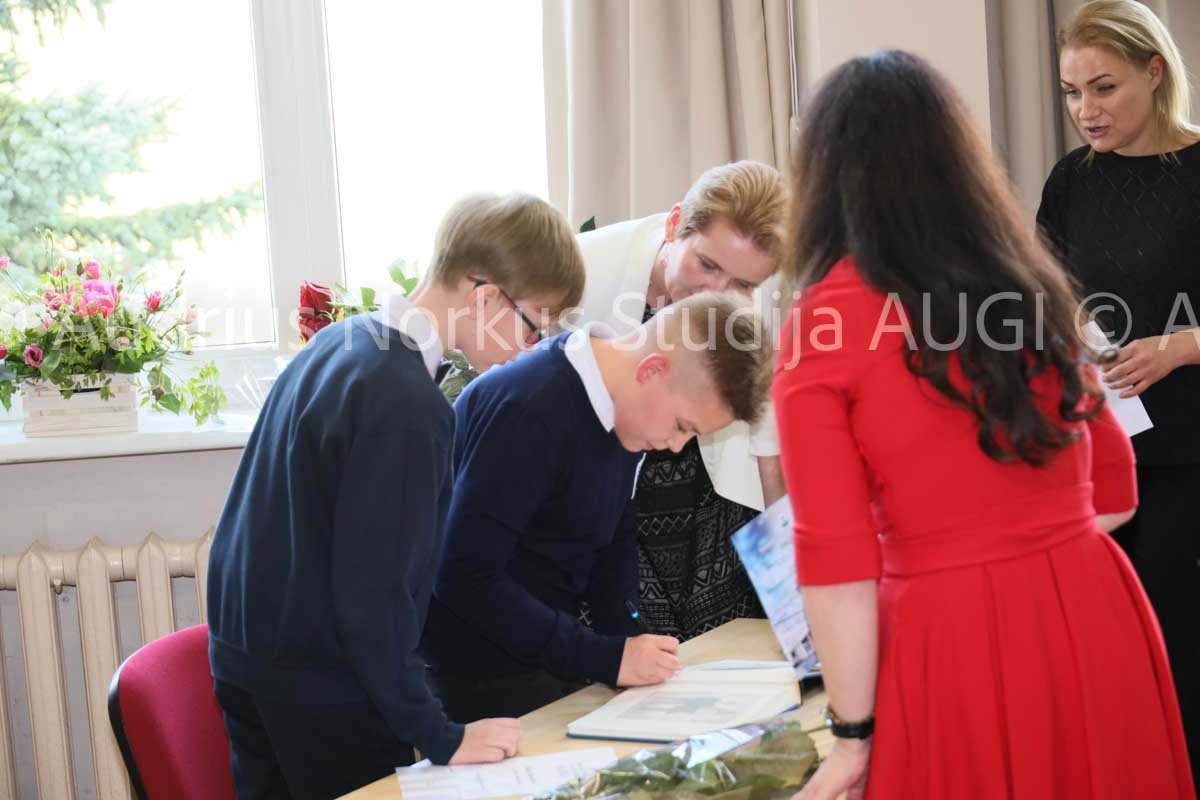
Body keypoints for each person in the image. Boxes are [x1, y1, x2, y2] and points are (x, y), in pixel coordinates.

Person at [775, 50, 1194, 799]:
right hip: (1094, 615)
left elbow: (837, 567)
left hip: (948, 635)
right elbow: (1114, 494)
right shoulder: (1030, 285)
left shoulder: (822, 325)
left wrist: (851, 736)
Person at [206, 193, 584, 799]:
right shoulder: (407, 405)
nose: (535, 346)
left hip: (249, 659)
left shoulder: (343, 340)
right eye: (535, 323)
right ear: (486, 297)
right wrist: (440, 735)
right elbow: (376, 597)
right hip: (326, 690)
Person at [423, 291, 771, 721]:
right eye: (682, 426)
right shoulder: (531, 408)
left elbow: (613, 545)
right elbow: (463, 576)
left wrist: (630, 643)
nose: (676, 445)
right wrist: (605, 657)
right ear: (651, 370)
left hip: (543, 657)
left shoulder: (624, 410)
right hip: (473, 673)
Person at [1037, 1, 1200, 784]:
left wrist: (1182, 346)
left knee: (1181, 654)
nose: (1086, 111)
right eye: (1072, 93)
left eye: (1103, 88)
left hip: (1189, 457)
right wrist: (1065, 328)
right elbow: (1041, 294)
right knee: (1102, 660)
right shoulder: (1072, 180)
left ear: (1154, 72)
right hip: (1097, 461)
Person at [571, 161, 788, 640]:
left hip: (713, 502)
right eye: (707, 265)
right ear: (674, 225)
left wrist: (794, 604)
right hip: (603, 504)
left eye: (743, 285)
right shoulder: (580, 272)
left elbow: (771, 454)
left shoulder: (760, 303)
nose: (717, 293)